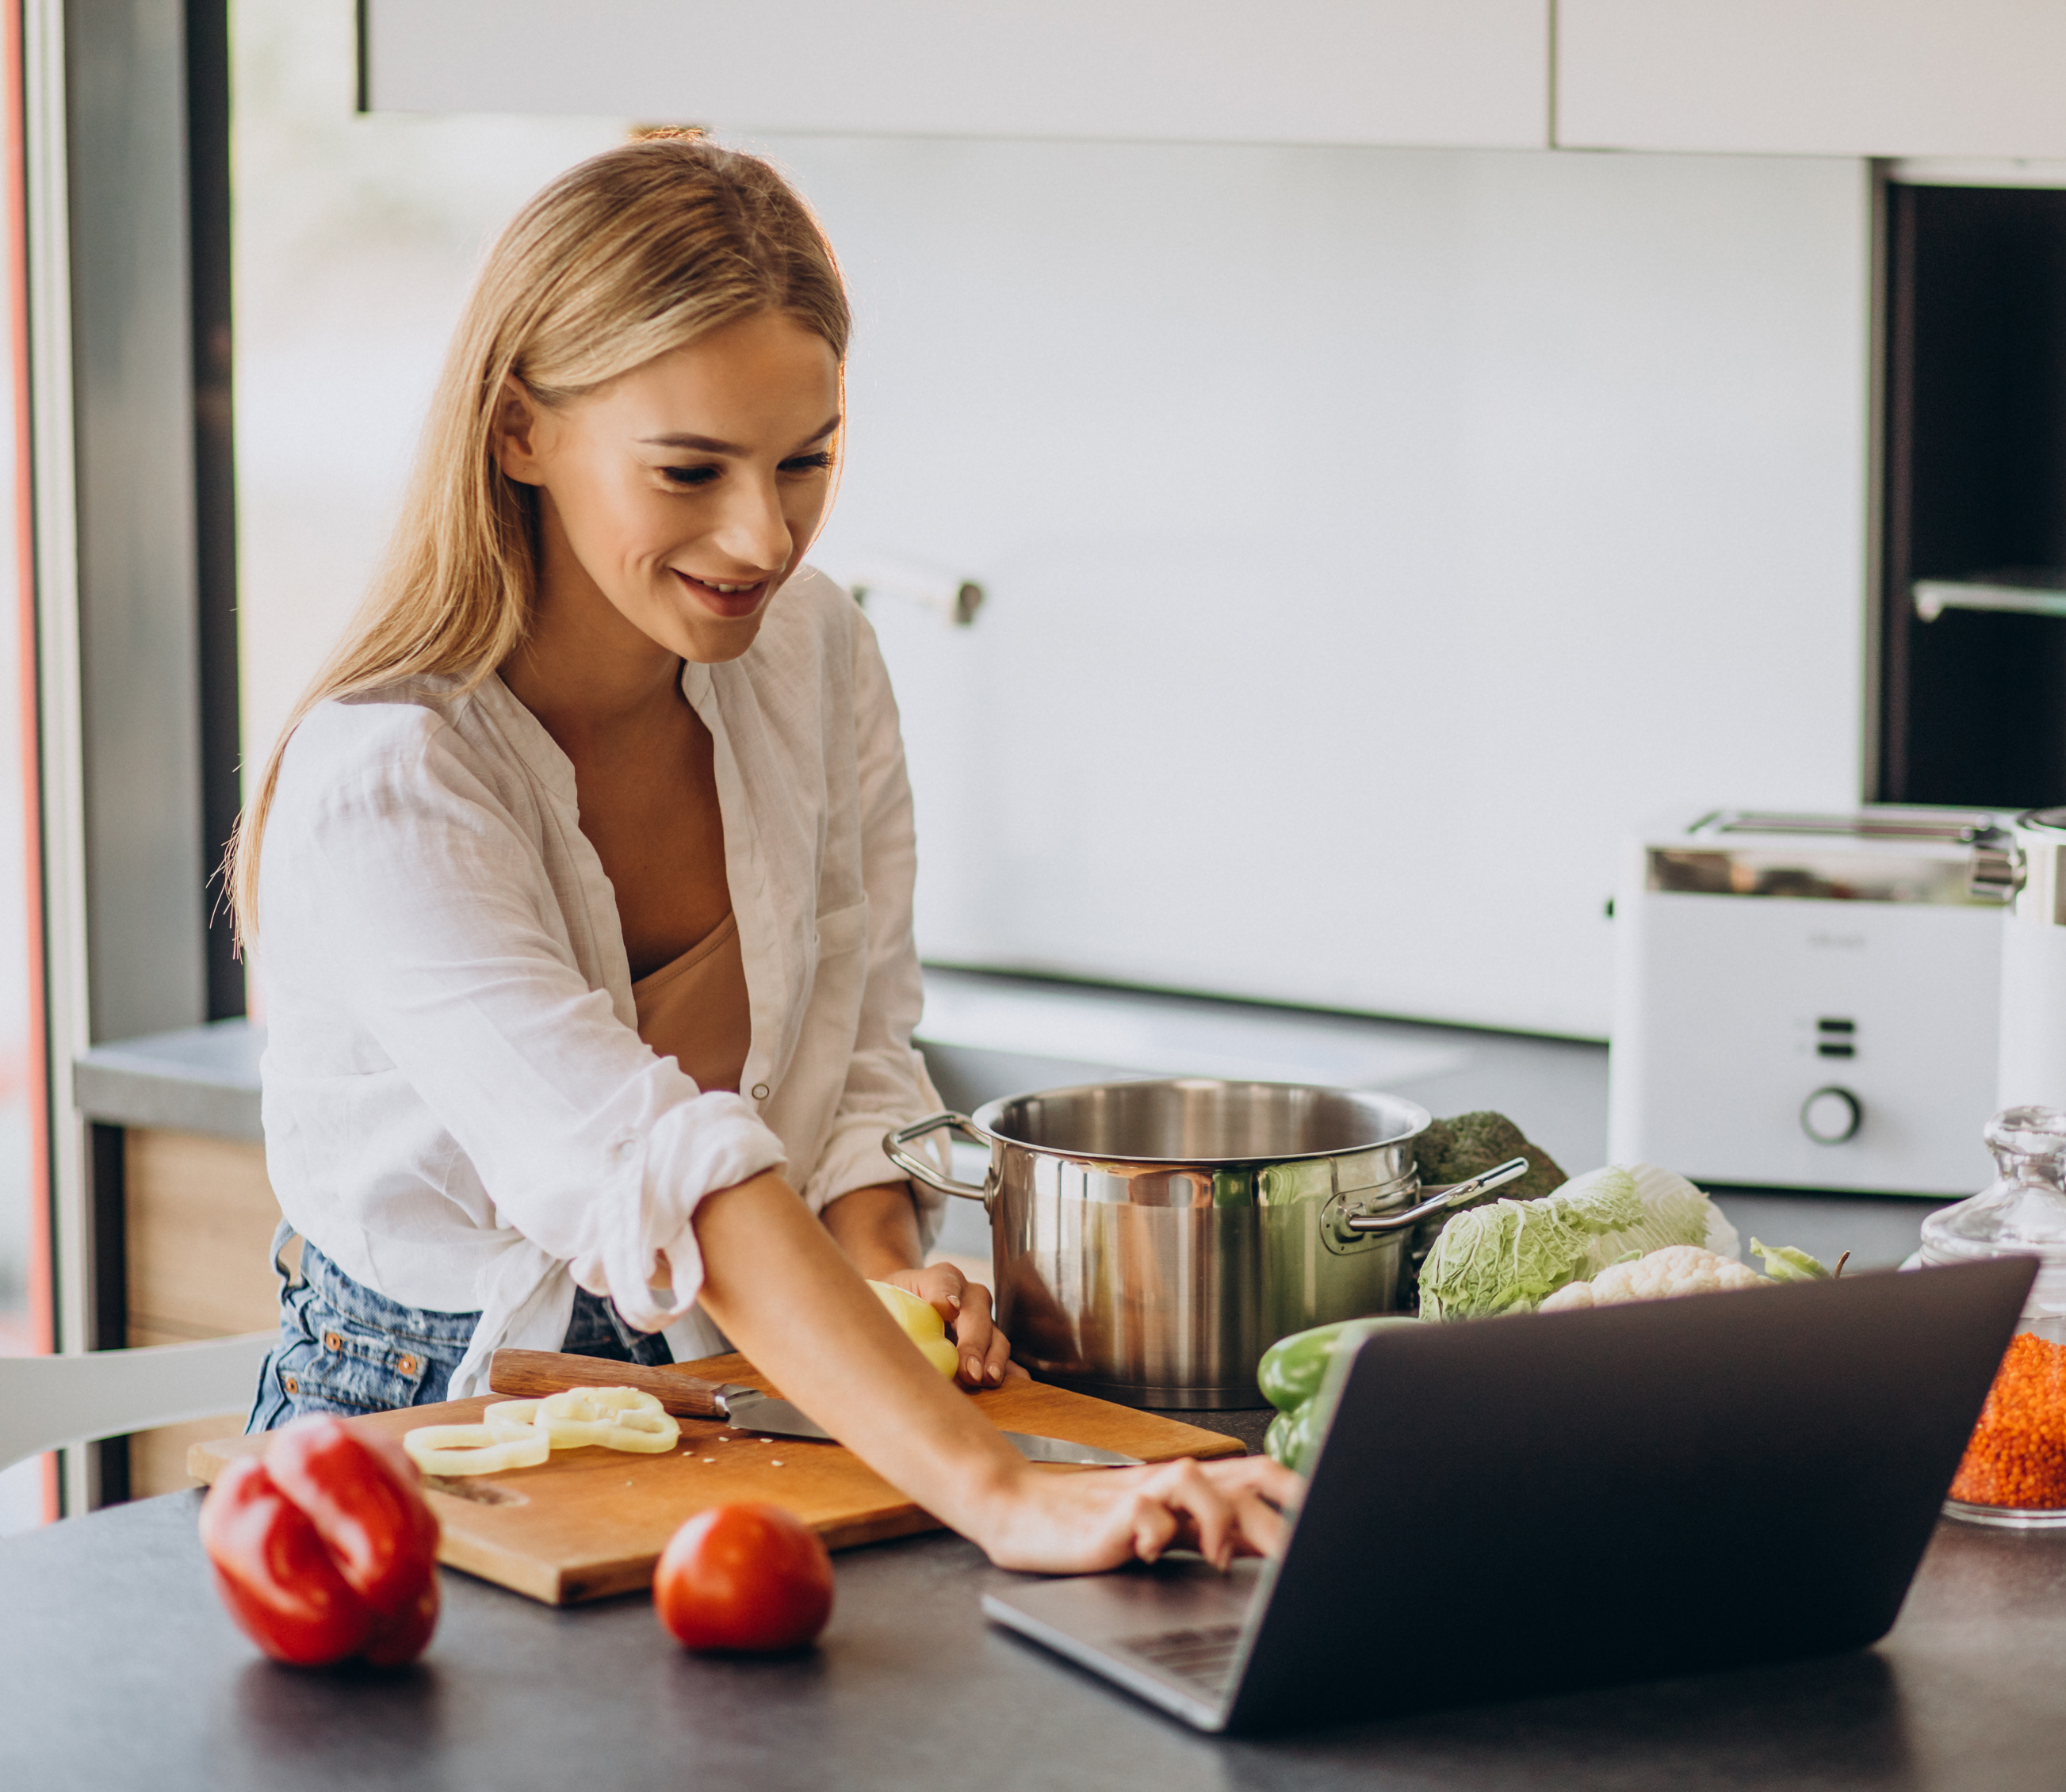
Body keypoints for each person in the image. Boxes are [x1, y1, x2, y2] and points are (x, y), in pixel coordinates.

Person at [231, 136, 1292, 1571]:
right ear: (518, 430)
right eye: (690, 470)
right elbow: (669, 1170)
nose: (764, 535)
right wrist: (1003, 1492)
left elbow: (852, 1043)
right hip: (429, 1440)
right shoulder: (391, 781)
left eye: (808, 461)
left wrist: (886, 1276)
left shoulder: (812, 652)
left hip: (745, 1388)